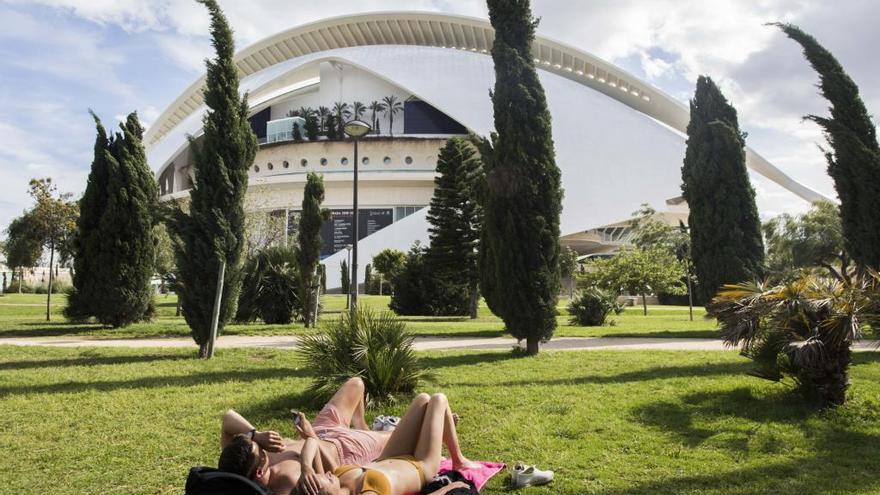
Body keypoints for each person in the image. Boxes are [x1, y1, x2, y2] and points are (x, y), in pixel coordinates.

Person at [218, 377, 393, 495]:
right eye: (261, 452)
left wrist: (256, 435)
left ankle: (363, 428)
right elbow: (334, 472)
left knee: (356, 383)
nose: (263, 448)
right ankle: (368, 435)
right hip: (344, 448)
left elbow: (228, 418)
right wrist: (311, 439)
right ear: (258, 472)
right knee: (397, 434)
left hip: (321, 428)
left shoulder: (237, 460)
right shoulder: (286, 482)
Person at [297, 392, 480, 495]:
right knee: (439, 399)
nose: (327, 473)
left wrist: (306, 468)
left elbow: (313, 441)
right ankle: (458, 460)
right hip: (419, 466)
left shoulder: (336, 476)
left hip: (390, 455)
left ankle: (437, 436)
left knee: (423, 399)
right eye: (324, 478)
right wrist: (450, 488)